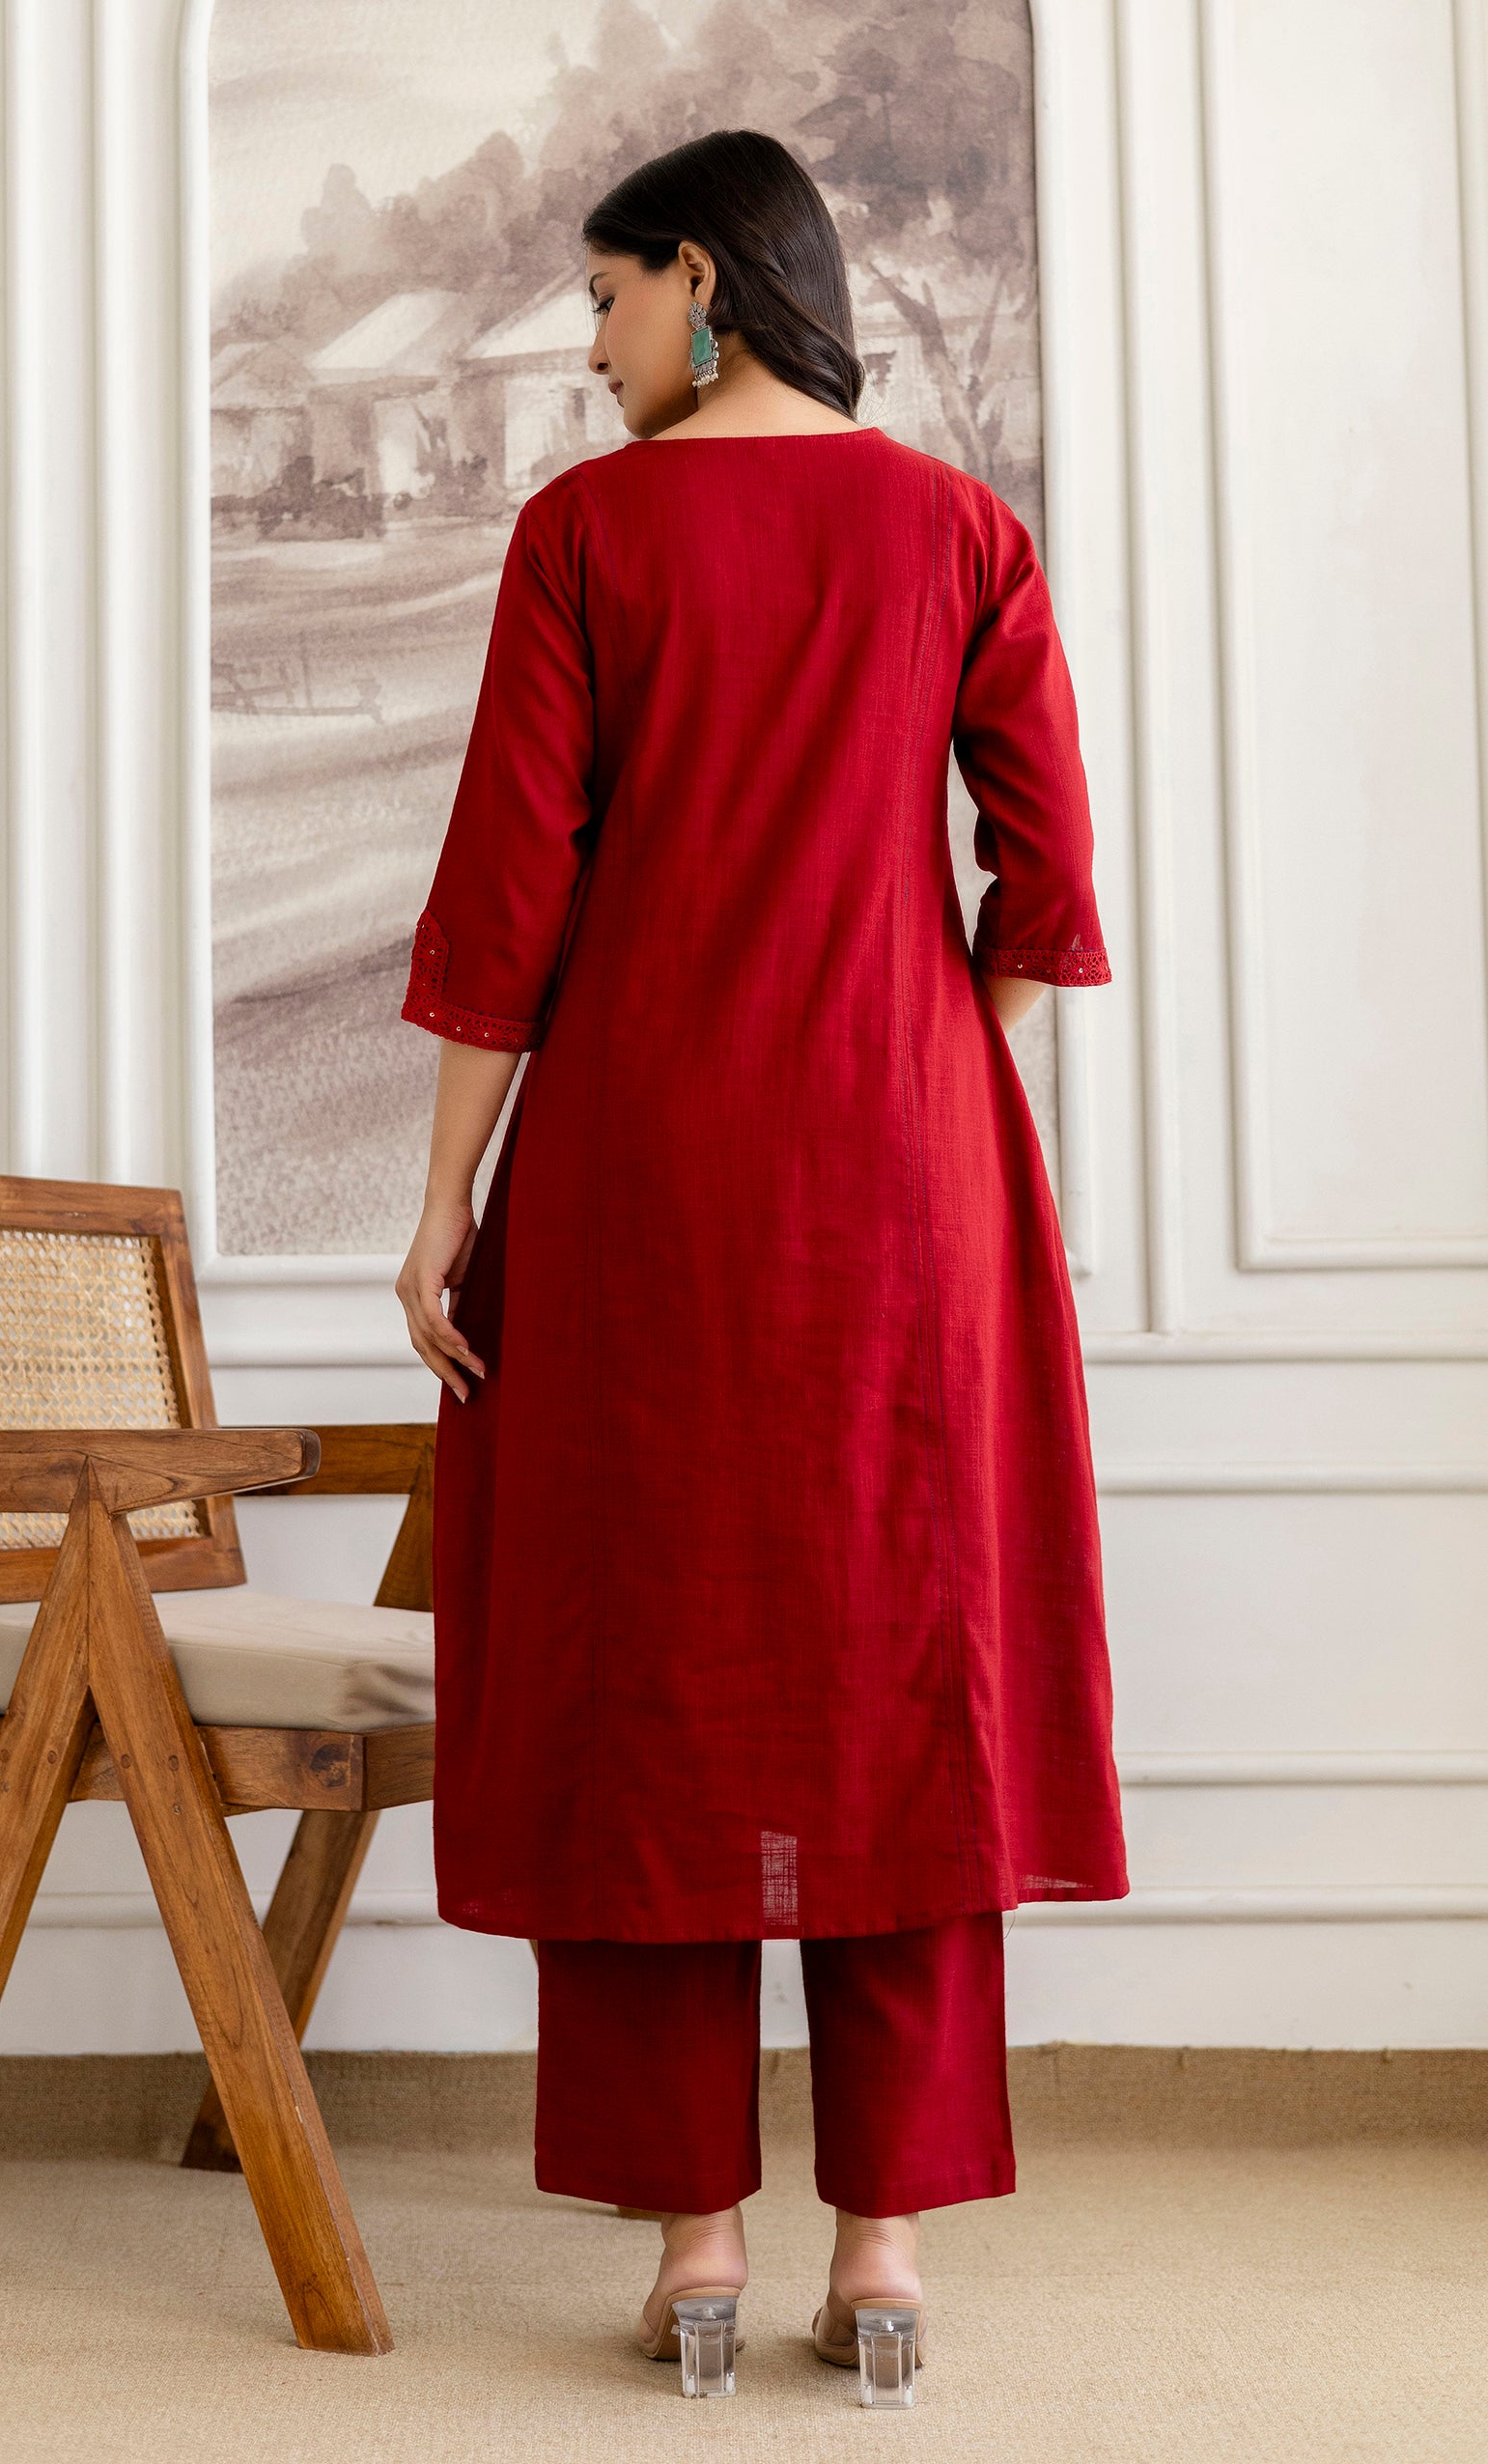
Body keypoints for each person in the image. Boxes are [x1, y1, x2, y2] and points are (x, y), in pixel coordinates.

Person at [395, 126, 1127, 2384]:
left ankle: (695, 2242)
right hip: (906, 1169)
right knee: (902, 1663)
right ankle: (879, 2248)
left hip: (637, 1175)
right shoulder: (959, 531)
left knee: (651, 1673)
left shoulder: (584, 536)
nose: (589, 346)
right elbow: (1041, 882)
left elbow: (507, 902)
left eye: (604, 298)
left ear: (700, 281)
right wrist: (933, 1065)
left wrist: (444, 1202)